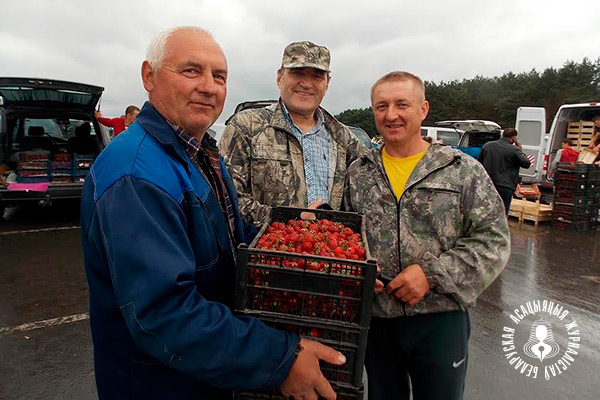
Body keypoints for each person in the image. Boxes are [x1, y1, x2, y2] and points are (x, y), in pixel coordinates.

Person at [80, 26, 345, 400]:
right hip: (159, 383)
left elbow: (226, 235)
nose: (208, 86)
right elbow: (165, 311)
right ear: (148, 76)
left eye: (219, 76)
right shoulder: (136, 174)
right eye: (191, 71)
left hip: (204, 371)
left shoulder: (196, 151)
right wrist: (280, 359)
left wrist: (292, 237)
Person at [343, 71, 510, 400]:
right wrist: (361, 270)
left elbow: (494, 241)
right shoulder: (358, 172)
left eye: (402, 104)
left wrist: (432, 274)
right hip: (378, 320)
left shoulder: (461, 170)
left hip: (440, 319)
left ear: (423, 109)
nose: (391, 115)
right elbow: (350, 237)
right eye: (381, 106)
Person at [219, 41, 367, 226]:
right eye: (297, 73)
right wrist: (290, 222)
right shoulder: (246, 126)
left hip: (328, 250)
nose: (306, 83)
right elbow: (226, 197)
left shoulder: (344, 138)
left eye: (317, 76)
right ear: (280, 78)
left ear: (327, 84)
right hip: (268, 250)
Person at [477, 127, 531, 213]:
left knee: (485, 210)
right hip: (505, 186)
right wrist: (520, 150)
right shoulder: (514, 150)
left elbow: (478, 163)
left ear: (502, 135)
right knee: (501, 212)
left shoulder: (487, 146)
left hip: (487, 183)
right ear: (513, 138)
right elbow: (526, 163)